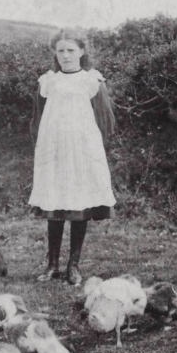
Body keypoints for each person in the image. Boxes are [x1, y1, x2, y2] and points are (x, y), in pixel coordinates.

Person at [29, 28, 117, 286]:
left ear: (81, 51)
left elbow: (104, 118)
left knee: (80, 205)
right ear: (55, 54)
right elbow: (37, 118)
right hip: (53, 151)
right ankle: (52, 265)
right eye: (60, 51)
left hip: (81, 152)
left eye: (71, 50)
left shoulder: (91, 80)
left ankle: (73, 265)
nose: (66, 56)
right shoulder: (48, 81)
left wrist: (90, 147)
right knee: (55, 205)